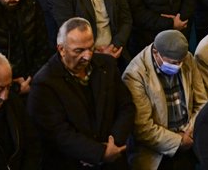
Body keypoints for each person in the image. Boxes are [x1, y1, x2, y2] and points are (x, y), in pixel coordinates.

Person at [28, 18, 135, 168]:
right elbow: (58, 133)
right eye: (79, 51)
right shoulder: (44, 83)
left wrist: (113, 144)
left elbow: (126, 107)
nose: (87, 56)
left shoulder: (107, 65)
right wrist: (97, 152)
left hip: (114, 159)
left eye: (91, 48)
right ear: (61, 49)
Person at [121, 29, 206, 170]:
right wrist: (178, 141)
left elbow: (202, 102)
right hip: (155, 154)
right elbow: (143, 128)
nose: (178, 66)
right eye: (173, 62)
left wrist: (189, 132)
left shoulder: (187, 58)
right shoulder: (135, 74)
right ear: (156, 53)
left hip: (188, 142)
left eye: (180, 62)